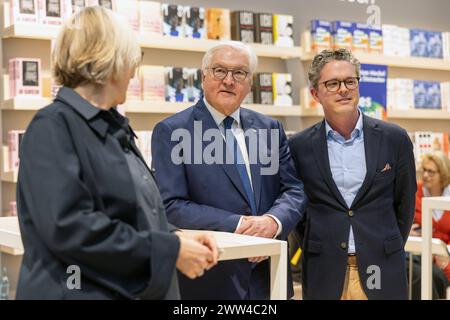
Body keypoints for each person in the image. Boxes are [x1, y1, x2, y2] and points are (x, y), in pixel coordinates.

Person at [15, 6, 218, 300]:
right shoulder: (53, 126)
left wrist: (175, 236)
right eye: (132, 59)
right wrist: (169, 249)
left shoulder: (111, 127)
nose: (134, 72)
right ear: (111, 60)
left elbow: (128, 210)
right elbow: (70, 228)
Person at [151, 41, 307, 299]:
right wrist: (240, 226)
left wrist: (271, 222)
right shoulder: (173, 132)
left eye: (239, 73)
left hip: (268, 278)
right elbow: (171, 205)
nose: (229, 80)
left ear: (250, 82)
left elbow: (293, 189)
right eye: (219, 71)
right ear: (203, 76)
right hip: (210, 280)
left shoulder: (270, 129)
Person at [288, 48, 417, 300]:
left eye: (350, 81)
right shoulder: (299, 146)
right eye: (333, 84)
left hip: (381, 266)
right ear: (315, 93)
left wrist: (384, 245)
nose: (343, 89)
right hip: (324, 270)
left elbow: (405, 205)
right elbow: (300, 213)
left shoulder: (394, 138)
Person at [409, 152, 450, 298]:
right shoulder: (414, 192)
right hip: (418, 254)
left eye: (431, 171)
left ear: (443, 174)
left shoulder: (448, 198)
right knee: (425, 275)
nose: (425, 175)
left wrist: (445, 257)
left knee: (438, 274)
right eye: (424, 170)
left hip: (444, 255)